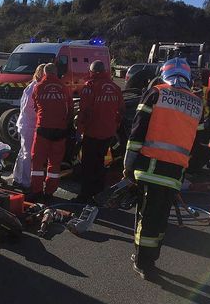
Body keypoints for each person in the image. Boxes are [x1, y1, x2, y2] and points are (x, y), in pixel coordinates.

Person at [123, 58, 203, 279]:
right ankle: (151, 258)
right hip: (175, 171)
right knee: (159, 218)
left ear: (164, 73)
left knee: (146, 217)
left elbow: (138, 129)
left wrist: (128, 165)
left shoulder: (157, 93)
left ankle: (142, 262)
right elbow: (197, 138)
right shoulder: (196, 102)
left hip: (150, 167)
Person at [75, 60, 125, 204]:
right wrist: (114, 126)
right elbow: (121, 110)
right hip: (108, 133)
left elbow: (84, 112)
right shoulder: (115, 87)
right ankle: (98, 193)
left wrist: (79, 130)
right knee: (100, 162)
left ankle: (85, 195)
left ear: (93, 72)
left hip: (92, 132)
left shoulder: (90, 87)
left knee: (88, 165)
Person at [30, 63, 73, 201]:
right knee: (54, 163)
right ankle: (50, 191)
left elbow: (36, 107)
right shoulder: (64, 88)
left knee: (37, 162)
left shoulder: (38, 87)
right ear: (56, 73)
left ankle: (36, 191)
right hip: (60, 130)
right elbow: (70, 108)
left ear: (44, 73)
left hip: (43, 128)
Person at [12, 64, 45, 189]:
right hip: (28, 124)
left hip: (26, 123)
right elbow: (26, 108)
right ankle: (26, 182)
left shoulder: (33, 87)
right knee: (27, 154)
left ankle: (17, 177)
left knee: (23, 152)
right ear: (39, 74)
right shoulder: (34, 88)